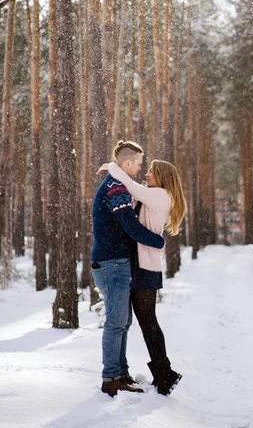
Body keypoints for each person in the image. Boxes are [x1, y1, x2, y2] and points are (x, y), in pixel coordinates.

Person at [97, 157, 187, 396]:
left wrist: (113, 167)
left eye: (151, 171)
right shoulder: (154, 195)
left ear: (162, 177)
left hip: (146, 268)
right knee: (145, 322)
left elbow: (132, 186)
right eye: (146, 170)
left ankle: (164, 374)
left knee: (148, 322)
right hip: (140, 267)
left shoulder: (160, 195)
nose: (146, 174)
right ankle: (161, 373)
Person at [91, 140, 165, 397]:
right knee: (116, 322)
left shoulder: (119, 184)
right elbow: (129, 225)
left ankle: (120, 372)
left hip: (116, 261)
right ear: (127, 163)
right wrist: (158, 241)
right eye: (139, 165)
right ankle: (111, 377)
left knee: (123, 321)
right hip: (111, 262)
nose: (141, 170)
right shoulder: (115, 186)